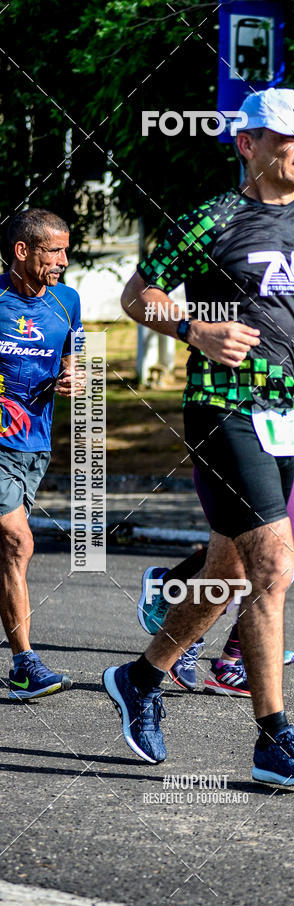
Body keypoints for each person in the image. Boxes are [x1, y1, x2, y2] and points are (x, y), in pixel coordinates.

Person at [103, 87, 294, 785]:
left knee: (227, 574)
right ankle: (273, 741)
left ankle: (140, 679)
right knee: (273, 570)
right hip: (224, 410)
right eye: (287, 136)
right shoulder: (210, 220)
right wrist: (194, 329)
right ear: (246, 145)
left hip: (285, 417)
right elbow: (138, 296)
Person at [137, 350, 294, 695]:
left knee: (279, 565)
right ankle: (189, 638)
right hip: (229, 451)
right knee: (239, 562)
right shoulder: (245, 318)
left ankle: (220, 646)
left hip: (280, 458)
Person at [0, 209, 83, 699]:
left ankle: (20, 665)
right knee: (17, 542)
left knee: (8, 553)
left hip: (36, 443)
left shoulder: (67, 301)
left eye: (66, 251)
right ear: (22, 251)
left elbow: (77, 356)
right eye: (56, 251)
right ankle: (25, 664)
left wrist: (75, 375)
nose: (65, 261)